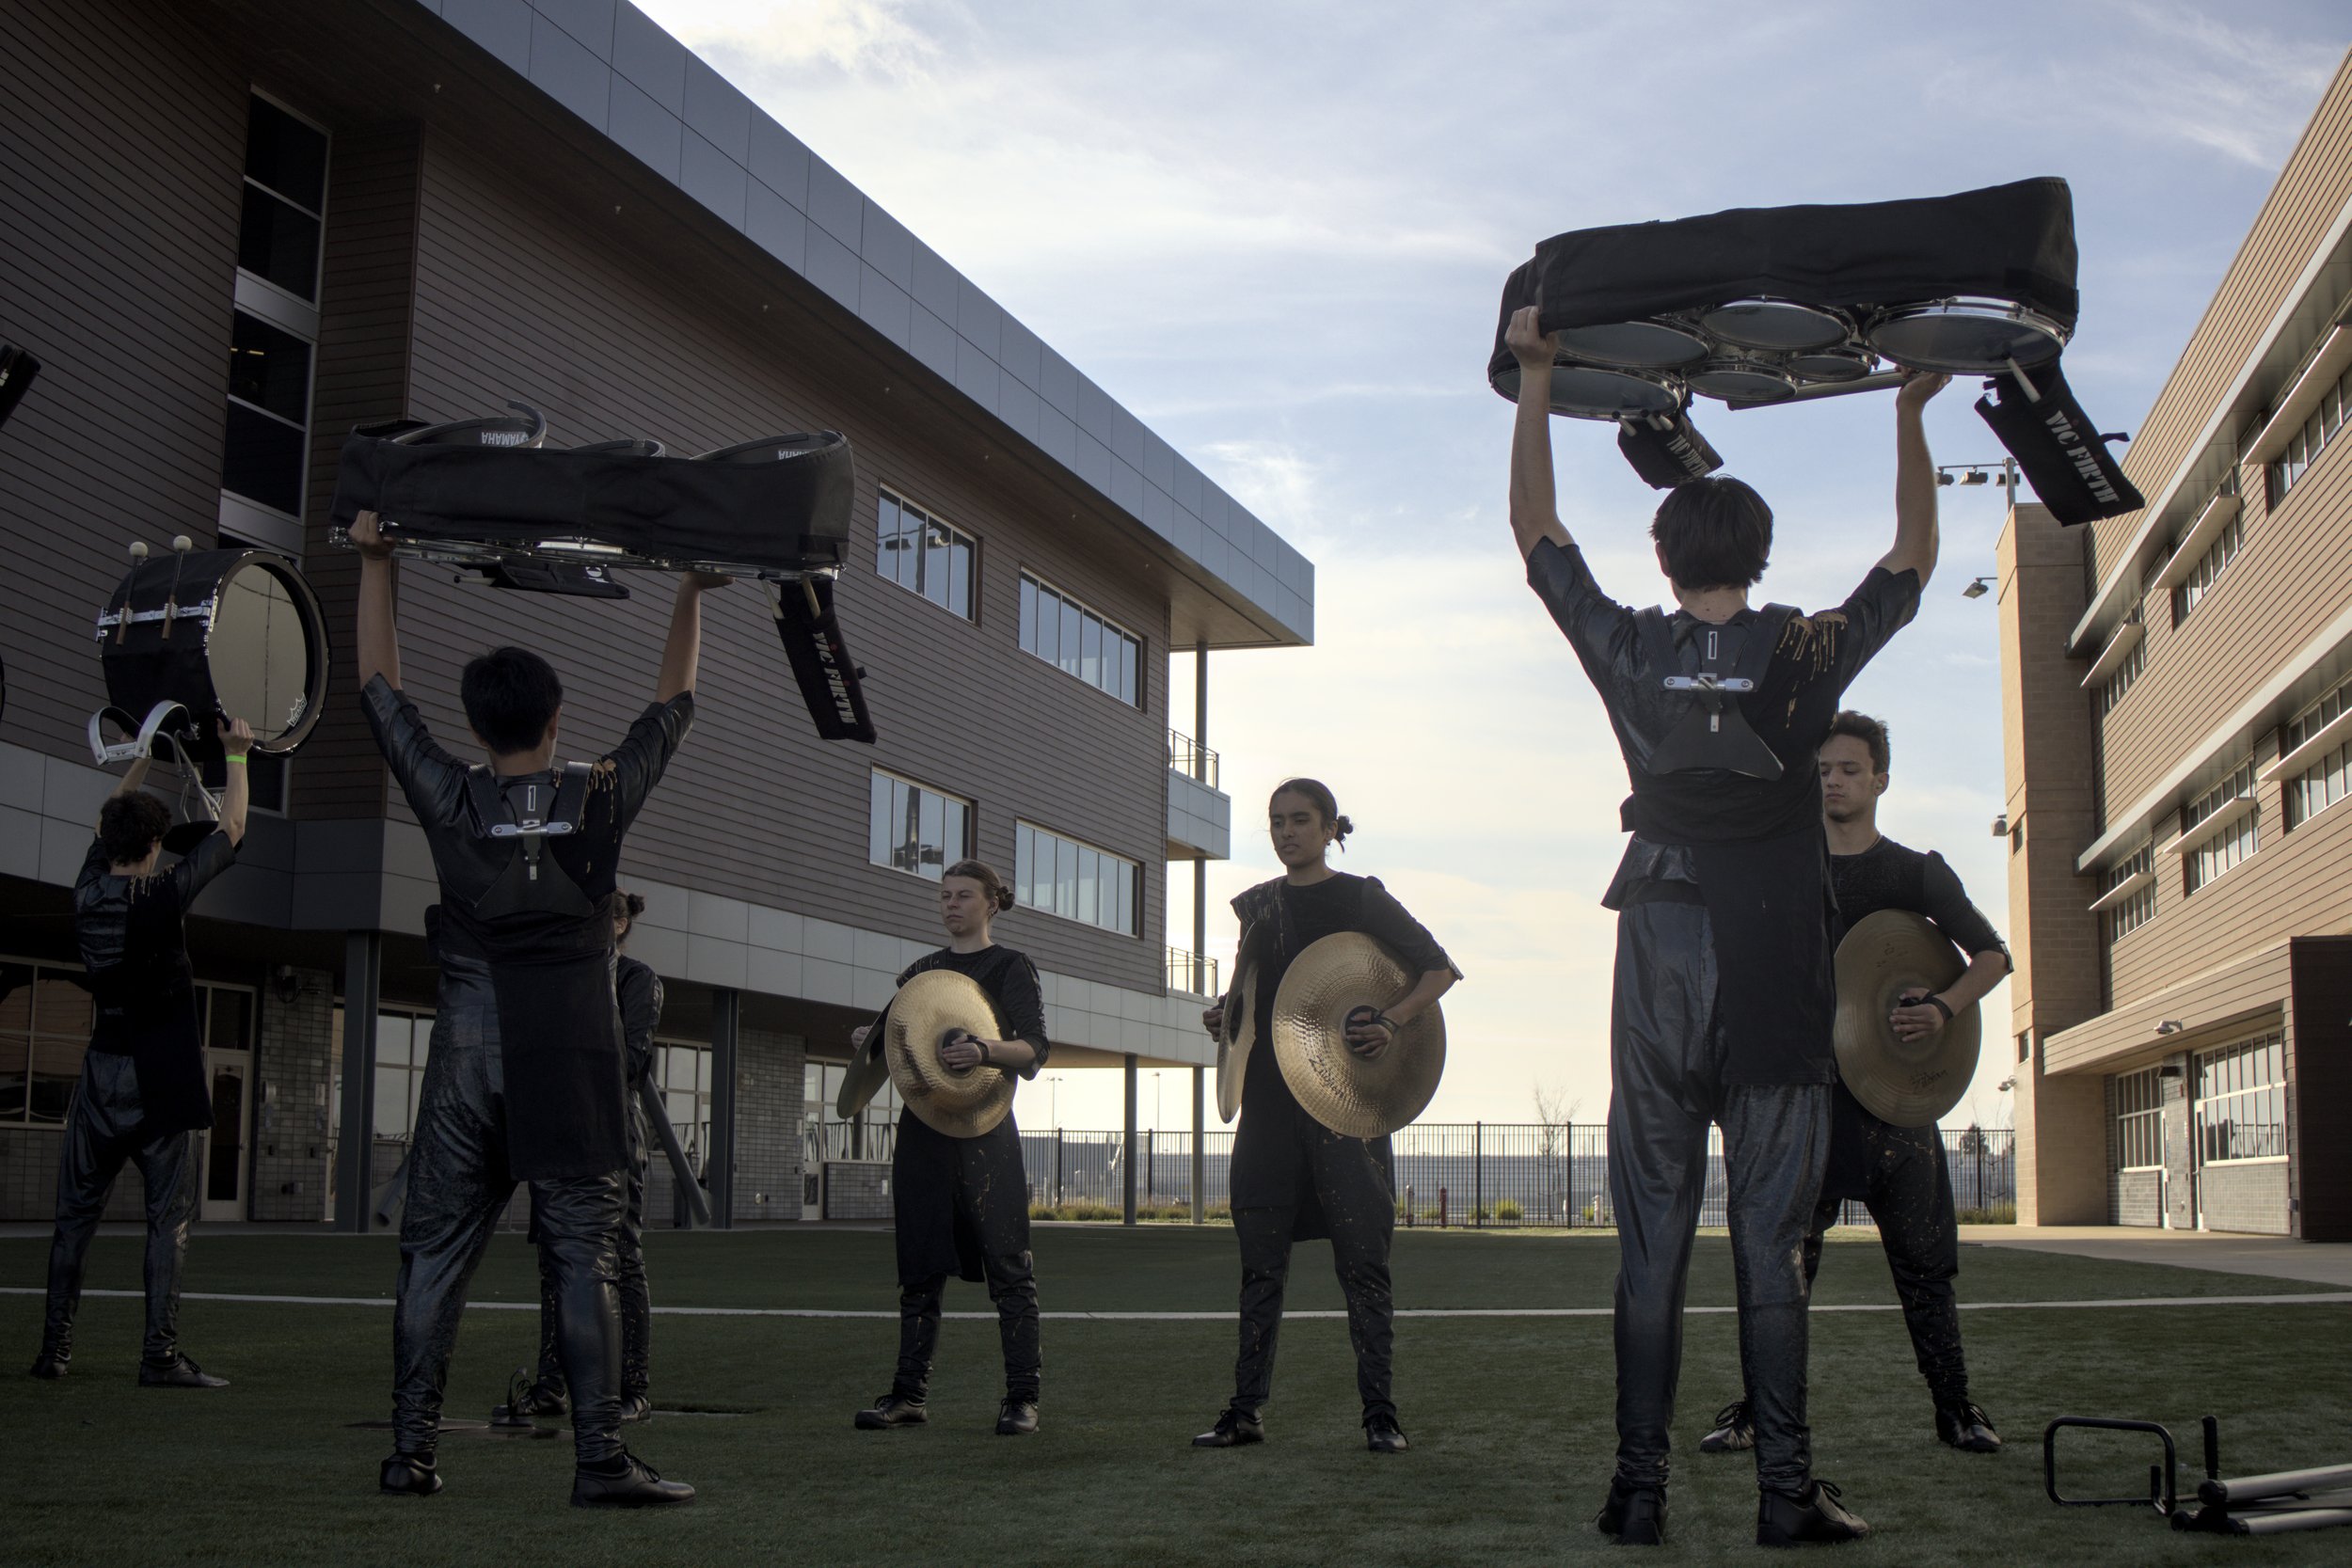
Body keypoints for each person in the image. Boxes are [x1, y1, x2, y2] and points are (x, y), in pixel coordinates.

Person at [1503, 302, 1947, 1547]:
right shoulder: (1805, 646)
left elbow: (1537, 532)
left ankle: (1637, 1489)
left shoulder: (1634, 646)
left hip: (1656, 942)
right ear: (1759, 551)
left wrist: (1537, 378)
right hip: (1771, 957)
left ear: (1665, 559)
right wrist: (1910, 410)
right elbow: (1913, 555)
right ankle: (1783, 1491)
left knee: (1651, 1245)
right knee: (1770, 1246)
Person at [349, 509, 721, 1507]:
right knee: (582, 1251)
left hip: (470, 1048)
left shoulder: (448, 793)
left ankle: (410, 1450)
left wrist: (378, 563)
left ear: (477, 726)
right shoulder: (598, 792)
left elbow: (380, 692)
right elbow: (674, 703)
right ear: (555, 719)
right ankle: (598, 1455)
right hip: (571, 1045)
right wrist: (689, 589)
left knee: (434, 1253)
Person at [1700, 711, 2008, 1459]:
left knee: (1926, 1266)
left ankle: (1956, 1407)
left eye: (1848, 768)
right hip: (1803, 1102)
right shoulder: (1784, 867)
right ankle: (1759, 1412)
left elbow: (1992, 955)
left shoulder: (1914, 872)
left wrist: (1942, 1007)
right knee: (1784, 1268)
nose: (1834, 780)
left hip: (1897, 1106)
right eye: (1824, 769)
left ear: (1880, 779)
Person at [1193, 779, 1457, 1456]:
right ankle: (1245, 1410)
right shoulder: (1257, 909)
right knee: (1259, 1265)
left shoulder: (1359, 896)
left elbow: (1438, 969)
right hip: (1269, 1104)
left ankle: (1380, 1414)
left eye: (1300, 820)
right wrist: (1227, 1017)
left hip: (1348, 1105)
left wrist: (1392, 1020)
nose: (1286, 832)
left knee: (1364, 1264)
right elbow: (1254, 1000)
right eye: (1276, 821)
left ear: (1328, 826)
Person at [30, 720, 254, 1387]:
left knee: (74, 1220)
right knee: (168, 1223)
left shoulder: (87, 890)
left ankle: (54, 1352)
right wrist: (237, 750)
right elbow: (233, 828)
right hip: (160, 1078)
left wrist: (144, 760)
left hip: (101, 1073)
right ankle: (158, 1355)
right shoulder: (159, 895)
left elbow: (106, 826)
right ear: (155, 846)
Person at [850, 860, 1050, 1437]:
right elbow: (904, 1050)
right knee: (919, 1268)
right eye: (944, 896)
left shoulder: (1011, 966)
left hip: (987, 1131)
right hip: (924, 1132)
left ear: (991, 903)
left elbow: (1036, 1048)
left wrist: (986, 1050)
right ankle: (908, 1396)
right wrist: (872, 1043)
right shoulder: (922, 973)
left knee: (1010, 1265)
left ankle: (1022, 1398)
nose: (951, 904)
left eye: (963, 895)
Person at [515, 890, 663, 1425]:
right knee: (553, 1262)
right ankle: (553, 1384)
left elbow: (632, 1061)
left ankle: (634, 1386)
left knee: (622, 1259)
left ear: (620, 924)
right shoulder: (557, 978)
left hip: (613, 1136)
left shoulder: (637, 980)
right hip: (557, 1133)